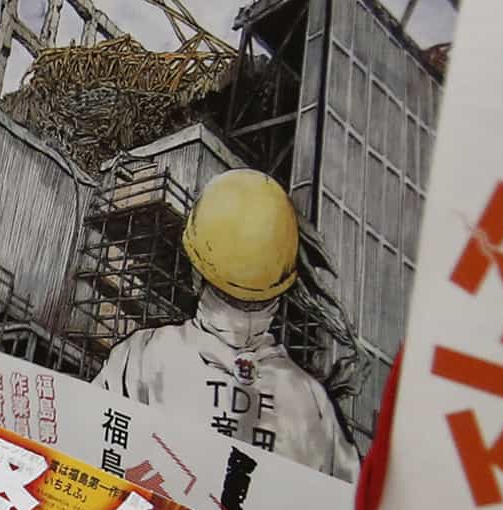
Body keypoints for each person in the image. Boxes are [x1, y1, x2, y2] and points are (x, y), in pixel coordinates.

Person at [99, 168, 359, 478]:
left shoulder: (141, 356)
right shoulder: (313, 404)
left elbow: (88, 449)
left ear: (197, 274)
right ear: (281, 288)